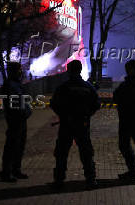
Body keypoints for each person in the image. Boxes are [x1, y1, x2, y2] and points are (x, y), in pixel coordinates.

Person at [50, 60, 100, 189]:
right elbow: (96, 105)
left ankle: (59, 180)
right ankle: (90, 179)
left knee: (62, 153)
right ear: (80, 70)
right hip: (82, 124)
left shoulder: (63, 87)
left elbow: (54, 104)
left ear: (69, 71)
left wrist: (63, 115)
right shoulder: (88, 87)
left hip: (66, 124)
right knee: (86, 152)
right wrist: (87, 115)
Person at [0, 62, 32, 182]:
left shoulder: (15, 84)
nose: (21, 72)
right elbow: (15, 104)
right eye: (19, 70)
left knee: (19, 145)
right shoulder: (10, 85)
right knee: (12, 145)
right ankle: (7, 172)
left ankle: (15, 170)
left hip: (20, 119)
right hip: (15, 119)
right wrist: (24, 112)